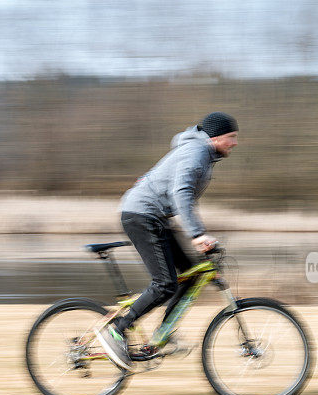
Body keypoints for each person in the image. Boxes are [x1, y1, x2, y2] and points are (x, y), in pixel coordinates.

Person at [95, 112, 239, 369]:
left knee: (192, 274)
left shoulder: (203, 154)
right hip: (141, 215)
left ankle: (162, 334)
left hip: (155, 217)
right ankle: (117, 330)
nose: (235, 143)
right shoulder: (196, 152)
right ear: (216, 136)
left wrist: (200, 235)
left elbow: (182, 199)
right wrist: (197, 234)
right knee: (164, 284)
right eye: (232, 137)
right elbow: (181, 193)